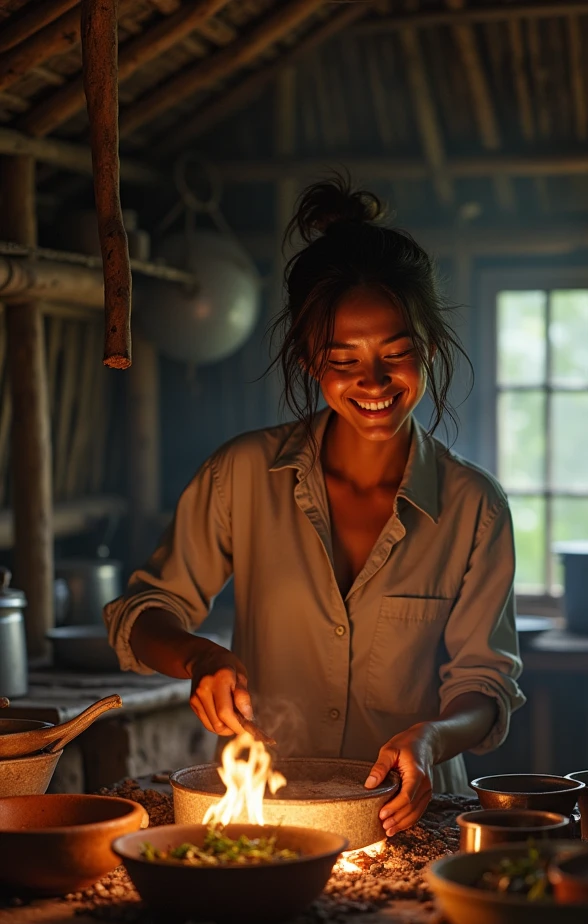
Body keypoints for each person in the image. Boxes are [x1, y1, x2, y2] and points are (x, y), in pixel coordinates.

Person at [105, 175, 525, 837]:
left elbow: (486, 685)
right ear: (309, 359)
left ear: (430, 348)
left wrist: (433, 738)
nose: (374, 382)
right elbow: (142, 614)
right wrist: (198, 659)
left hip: (411, 816)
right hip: (268, 811)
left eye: (396, 354)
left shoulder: (475, 507)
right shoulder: (242, 475)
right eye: (344, 360)